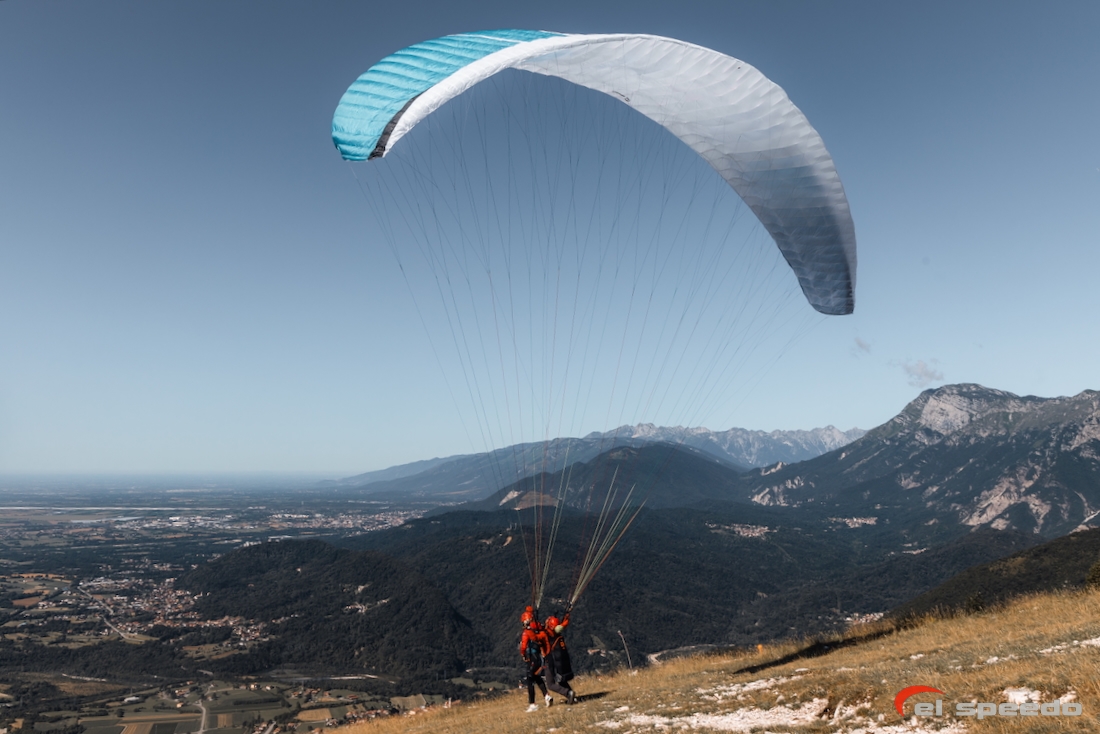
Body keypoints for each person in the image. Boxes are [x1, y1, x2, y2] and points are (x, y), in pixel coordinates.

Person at [541, 611, 576, 704]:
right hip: (560, 662)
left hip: (550, 661)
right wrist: (566, 618)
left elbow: (539, 633)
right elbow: (562, 625)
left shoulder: (547, 635)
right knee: (561, 680)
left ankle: (568, 693)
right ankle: (571, 695)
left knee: (550, 684)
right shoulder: (557, 634)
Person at [519, 608, 550, 711]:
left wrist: (523, 655)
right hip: (539, 657)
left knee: (529, 679)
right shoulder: (538, 628)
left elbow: (523, 646)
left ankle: (532, 704)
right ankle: (546, 696)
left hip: (532, 658)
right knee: (536, 677)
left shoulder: (527, 632)